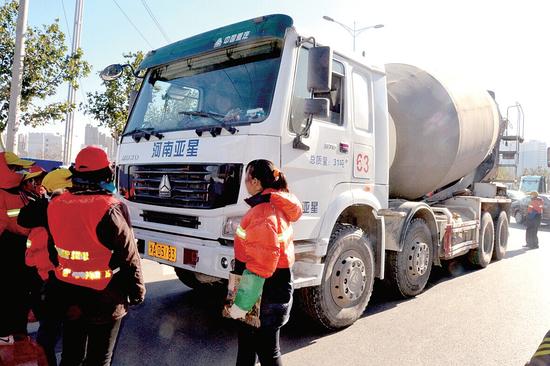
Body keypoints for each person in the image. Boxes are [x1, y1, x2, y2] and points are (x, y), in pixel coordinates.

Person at [46, 145, 145, 365]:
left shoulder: (56, 203)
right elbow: (129, 256)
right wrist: (137, 291)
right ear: (106, 174)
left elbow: (52, 251)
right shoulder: (111, 207)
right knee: (99, 358)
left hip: (68, 295)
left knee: (71, 355)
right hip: (105, 298)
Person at [226, 159, 302, 366]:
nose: (245, 183)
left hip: (262, 290)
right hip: (273, 286)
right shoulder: (273, 205)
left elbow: (261, 265)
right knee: (251, 347)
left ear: (256, 182)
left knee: (266, 351)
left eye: (246, 178)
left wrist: (242, 304)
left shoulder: (262, 213)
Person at [18, 168, 73, 366]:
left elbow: (23, 218)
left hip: (51, 281)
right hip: (63, 281)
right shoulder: (74, 208)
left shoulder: (44, 210)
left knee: (48, 336)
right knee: (66, 337)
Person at [0, 145, 35, 345]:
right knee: (7, 296)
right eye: (15, 168)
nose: (20, 172)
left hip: (22, 256)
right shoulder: (4, 194)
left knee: (19, 296)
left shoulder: (19, 193)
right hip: (7, 255)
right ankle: (6, 336)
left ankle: (18, 335)